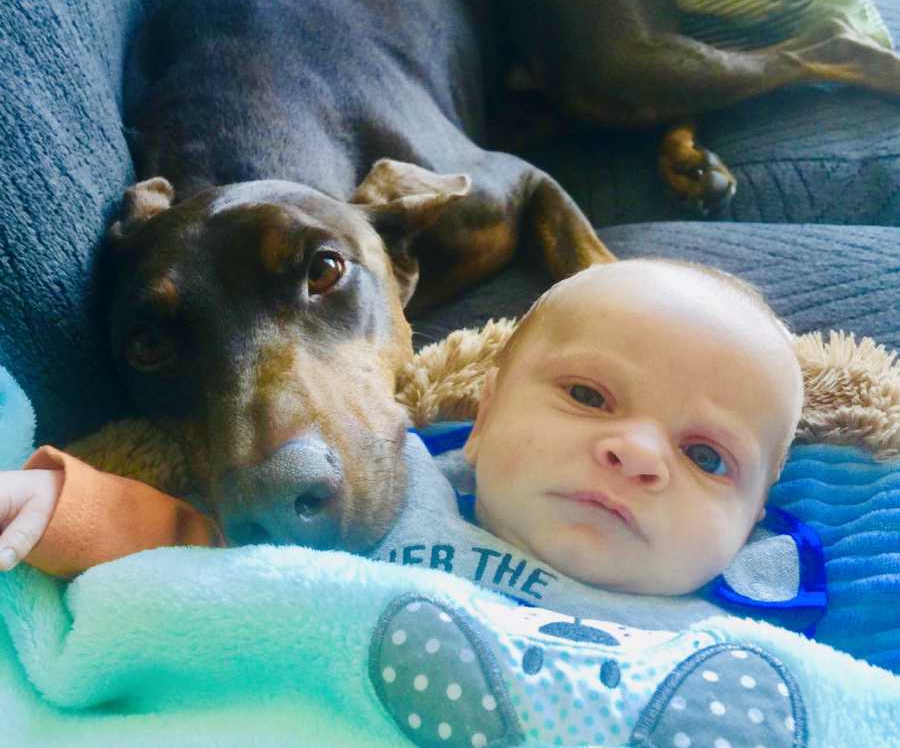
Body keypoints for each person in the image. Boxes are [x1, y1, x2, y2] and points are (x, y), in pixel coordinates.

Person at [0, 259, 806, 616]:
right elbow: (202, 550)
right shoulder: (390, 498)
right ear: (483, 420)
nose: (635, 452)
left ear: (751, 525)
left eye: (706, 456)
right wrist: (61, 502)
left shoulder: (747, 619)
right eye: (589, 396)